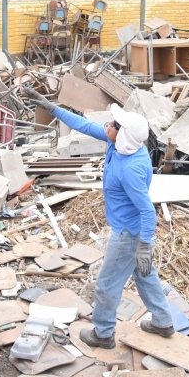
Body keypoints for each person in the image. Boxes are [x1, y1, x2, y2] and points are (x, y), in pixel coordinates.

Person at [24, 87, 174, 348]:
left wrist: (144, 245)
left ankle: (103, 334)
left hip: (129, 234)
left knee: (106, 285)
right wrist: (53, 108)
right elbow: (84, 125)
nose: (109, 124)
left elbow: (148, 210)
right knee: (144, 275)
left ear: (123, 134)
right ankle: (163, 321)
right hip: (133, 231)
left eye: (114, 124)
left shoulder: (130, 170)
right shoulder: (121, 145)